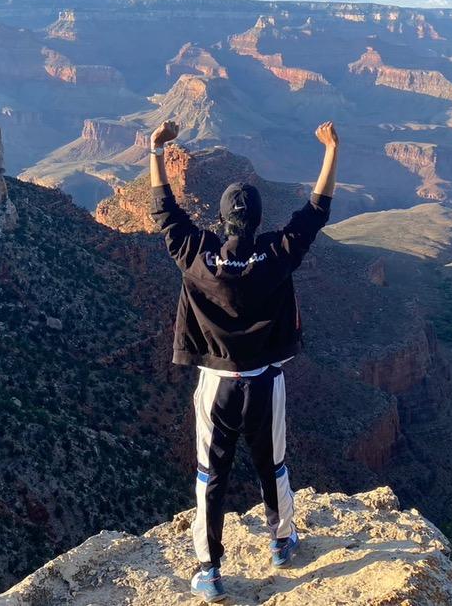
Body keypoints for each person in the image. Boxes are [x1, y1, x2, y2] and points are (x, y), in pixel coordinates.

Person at [148, 120, 339, 603]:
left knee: (210, 475)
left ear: (221, 218)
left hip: (215, 386)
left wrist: (155, 151)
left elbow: (164, 211)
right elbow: (315, 213)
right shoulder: (275, 253)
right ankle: (280, 543)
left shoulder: (196, 251)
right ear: (256, 219)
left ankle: (209, 570)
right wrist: (331, 151)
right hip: (263, 383)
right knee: (272, 465)